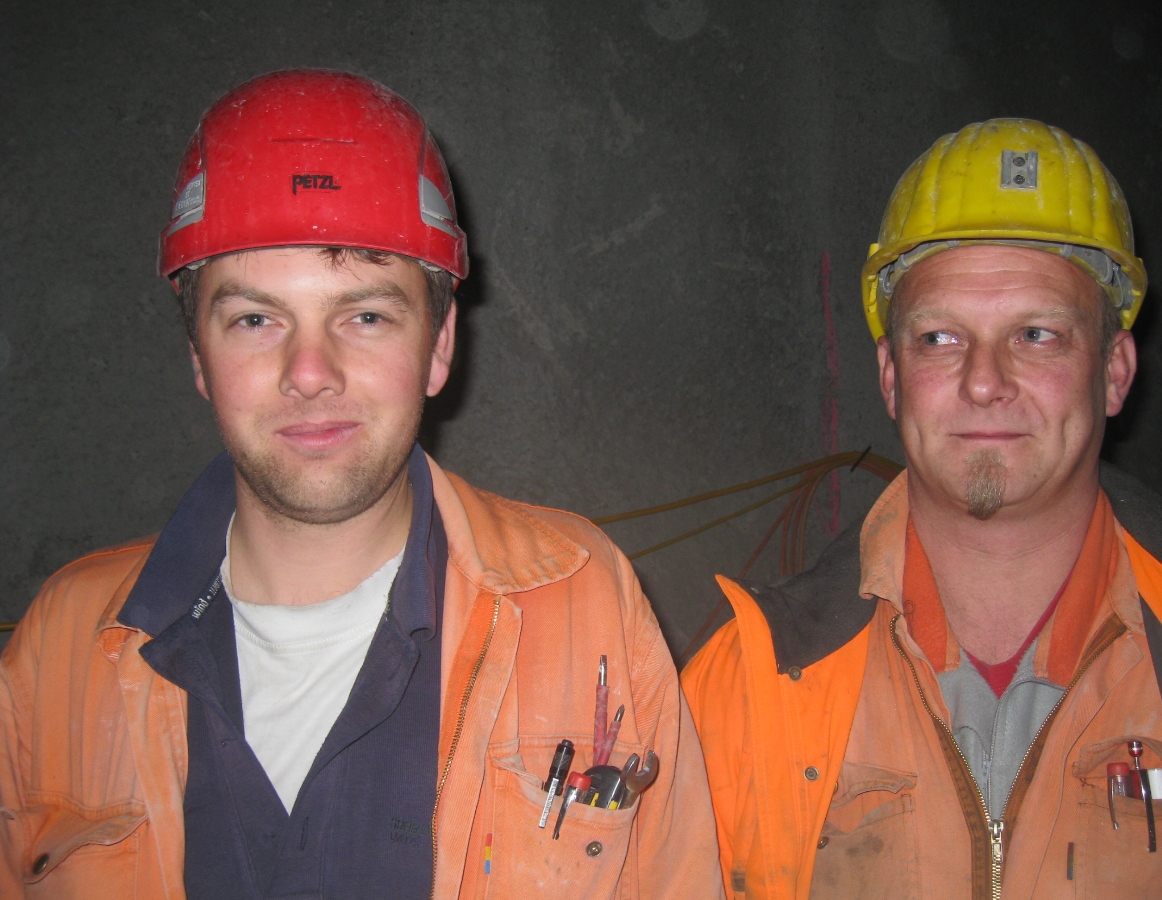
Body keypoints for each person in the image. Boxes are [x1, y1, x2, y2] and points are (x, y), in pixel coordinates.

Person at [0, 69, 721, 899]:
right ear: (198, 355)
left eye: (366, 316)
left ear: (439, 345)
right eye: (256, 319)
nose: (310, 371)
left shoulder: (583, 601)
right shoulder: (63, 648)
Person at [683, 119, 1162, 898]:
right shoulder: (744, 685)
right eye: (940, 339)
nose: (984, 382)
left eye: (1036, 334)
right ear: (891, 378)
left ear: (1115, 372)